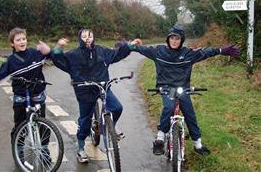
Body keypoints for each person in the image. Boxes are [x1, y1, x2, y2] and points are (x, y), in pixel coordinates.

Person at [129, 24, 240, 156]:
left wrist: (221, 50)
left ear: (181, 40)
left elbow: (205, 52)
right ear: (168, 39)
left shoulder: (188, 54)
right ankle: (160, 138)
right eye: (172, 38)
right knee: (169, 108)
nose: (174, 41)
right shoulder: (159, 51)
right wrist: (126, 46)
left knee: (189, 114)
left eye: (177, 39)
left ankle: (197, 144)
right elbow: (140, 48)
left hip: (183, 89)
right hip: (166, 88)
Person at [50, 28, 137, 163]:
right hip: (84, 90)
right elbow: (58, 60)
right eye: (84, 37)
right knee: (85, 120)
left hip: (102, 87)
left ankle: (108, 126)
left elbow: (116, 54)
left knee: (117, 108)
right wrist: (58, 48)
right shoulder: (74, 54)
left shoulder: (102, 51)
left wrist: (129, 46)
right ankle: (81, 148)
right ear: (80, 39)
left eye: (90, 36)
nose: (88, 39)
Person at [0, 27, 51, 161]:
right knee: (21, 126)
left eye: (24, 39)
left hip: (37, 94)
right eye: (18, 40)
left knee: (43, 125)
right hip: (21, 97)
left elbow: (52, 55)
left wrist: (50, 50)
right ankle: (18, 150)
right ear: (12, 44)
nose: (22, 42)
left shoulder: (34, 53)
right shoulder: (10, 62)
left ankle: (44, 150)